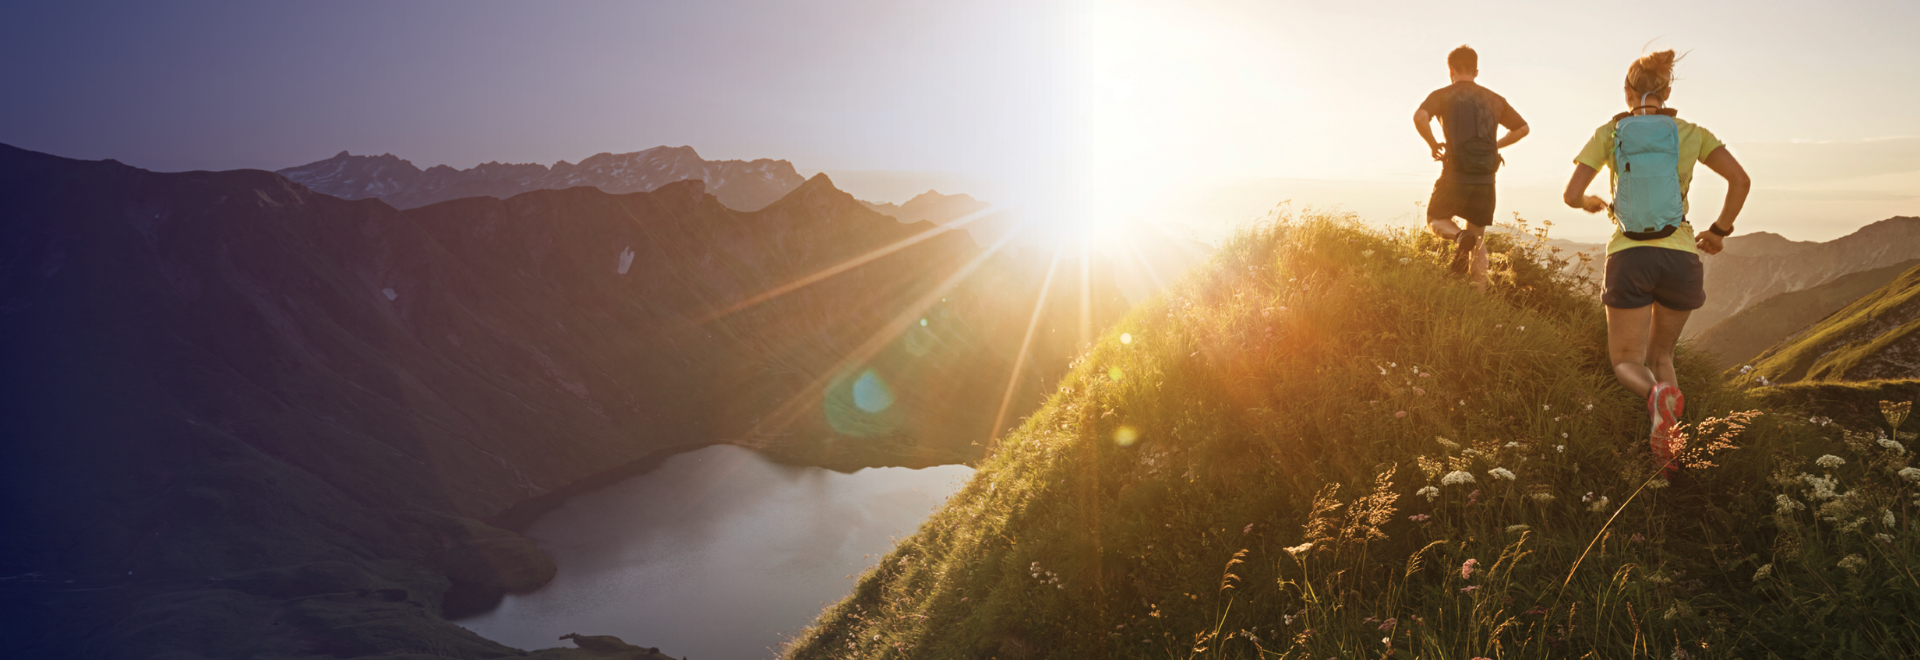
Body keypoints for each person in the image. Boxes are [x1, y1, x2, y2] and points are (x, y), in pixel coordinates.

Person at [1561, 49, 1751, 475]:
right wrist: (1718, 231)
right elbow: (1741, 180)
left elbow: (1571, 195)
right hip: (1680, 257)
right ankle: (1672, 452)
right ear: (1666, 92)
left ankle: (1654, 397)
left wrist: (1590, 202)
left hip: (1629, 255)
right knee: (1661, 355)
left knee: (1626, 360)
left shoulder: (1610, 133)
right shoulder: (1691, 133)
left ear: (1627, 91)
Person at [1414, 45, 1531, 288]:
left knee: (1435, 220)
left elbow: (1420, 117)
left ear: (1451, 70)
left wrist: (1433, 144)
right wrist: (1494, 145)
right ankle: (1479, 294)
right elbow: (1522, 129)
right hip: (1486, 177)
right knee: (1478, 238)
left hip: (1455, 173)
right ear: (1476, 71)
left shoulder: (1443, 95)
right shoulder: (1495, 99)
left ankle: (1459, 236)